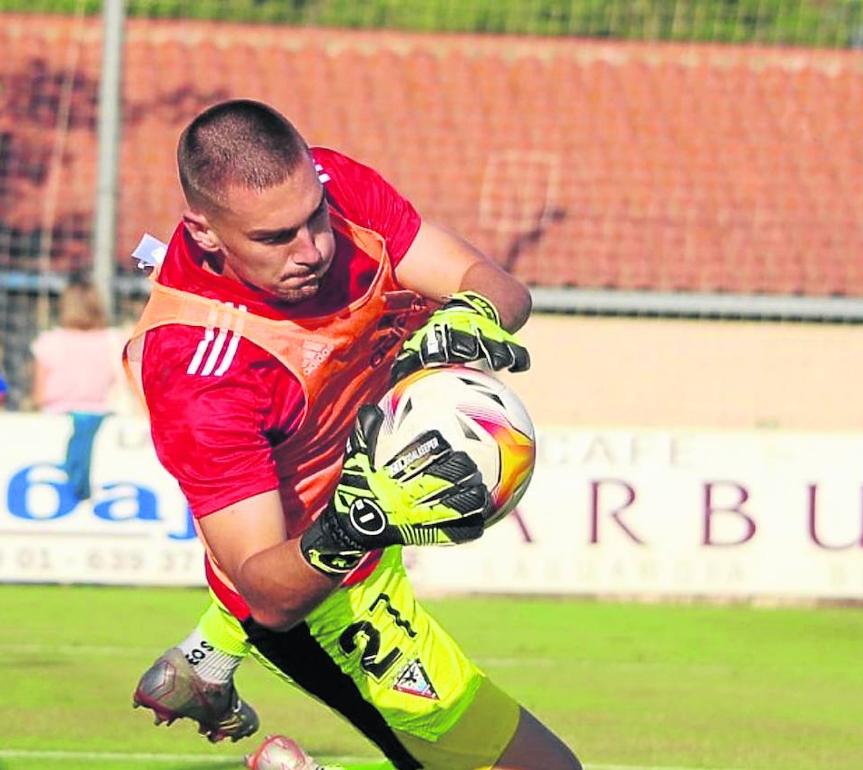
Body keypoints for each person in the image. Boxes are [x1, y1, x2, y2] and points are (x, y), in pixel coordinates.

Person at [124, 100, 578, 770]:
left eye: (313, 217)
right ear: (206, 233)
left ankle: (206, 658)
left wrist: (474, 315)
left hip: (365, 526)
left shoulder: (332, 189)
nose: (313, 248)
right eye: (276, 238)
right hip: (324, 596)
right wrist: (356, 523)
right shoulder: (198, 370)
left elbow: (498, 286)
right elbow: (267, 594)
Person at [30, 283, 123, 413]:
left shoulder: (50, 341)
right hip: (102, 415)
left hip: (56, 415)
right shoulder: (113, 340)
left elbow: (39, 396)